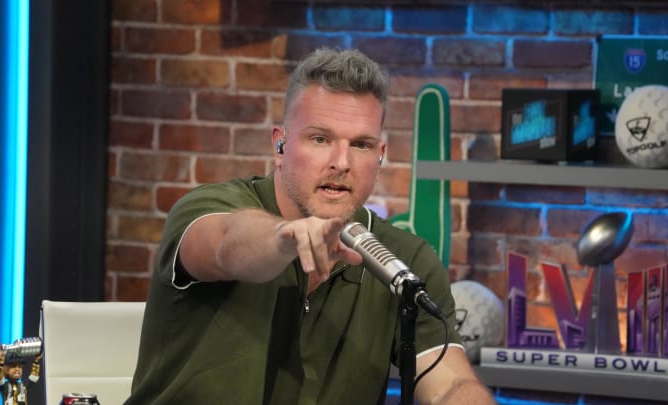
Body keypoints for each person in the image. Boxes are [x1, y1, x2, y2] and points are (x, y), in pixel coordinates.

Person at [126, 47, 495, 404]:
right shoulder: (206, 207)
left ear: (380, 156)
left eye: (362, 145)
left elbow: (451, 385)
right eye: (320, 139)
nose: (341, 162)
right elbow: (226, 244)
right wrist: (284, 239)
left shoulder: (405, 259)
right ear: (280, 144)